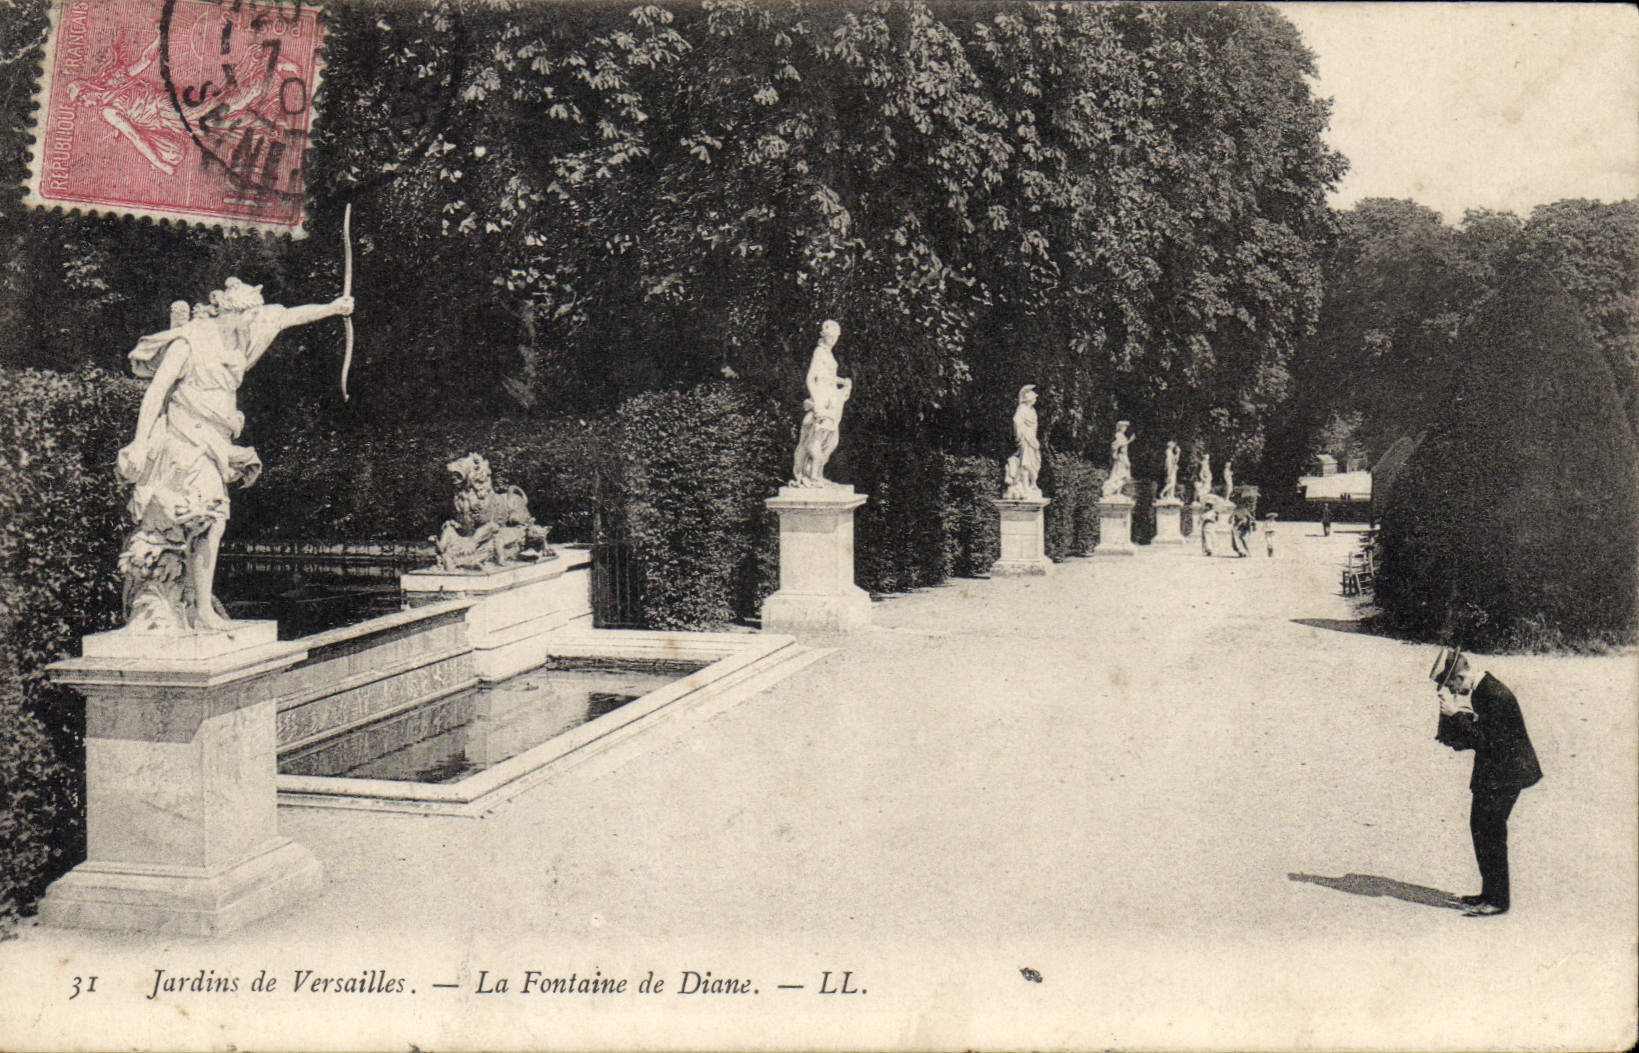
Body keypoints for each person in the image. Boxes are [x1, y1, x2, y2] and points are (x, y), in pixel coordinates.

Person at [118, 277, 354, 631]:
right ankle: (184, 606)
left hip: (216, 439)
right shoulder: (191, 341)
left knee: (211, 517)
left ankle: (199, 604)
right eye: (247, 317)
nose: (252, 325)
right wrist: (139, 442)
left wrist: (334, 308)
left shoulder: (245, 331)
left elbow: (287, 316)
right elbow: (156, 393)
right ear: (230, 311)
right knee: (198, 514)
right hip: (185, 436)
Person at [1432, 647, 1543, 917]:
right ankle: (1489, 893)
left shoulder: (1492, 694)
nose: (1457, 692)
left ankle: (1497, 900)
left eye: (1454, 686)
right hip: (1498, 773)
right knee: (1483, 830)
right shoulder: (1484, 690)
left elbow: (1488, 743)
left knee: (1490, 832)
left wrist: (1456, 715)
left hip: (1505, 775)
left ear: (1460, 676)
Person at [792, 320, 851, 487]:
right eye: (831, 336)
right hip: (823, 399)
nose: (834, 339)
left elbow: (828, 376)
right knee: (818, 437)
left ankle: (815, 472)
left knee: (831, 441)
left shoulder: (828, 354)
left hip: (832, 400)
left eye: (836, 336)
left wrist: (843, 381)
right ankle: (812, 476)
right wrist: (817, 401)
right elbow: (811, 378)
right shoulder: (819, 352)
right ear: (824, 336)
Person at [1003, 385, 1041, 499]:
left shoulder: (1032, 410)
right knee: (1026, 463)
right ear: (1029, 398)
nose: (1035, 399)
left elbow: (1034, 426)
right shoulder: (1022, 408)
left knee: (1035, 462)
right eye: (1034, 397)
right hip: (1025, 438)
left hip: (1031, 438)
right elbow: (1016, 421)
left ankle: (1032, 484)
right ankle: (1025, 486)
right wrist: (1021, 435)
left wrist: (1032, 437)